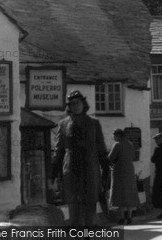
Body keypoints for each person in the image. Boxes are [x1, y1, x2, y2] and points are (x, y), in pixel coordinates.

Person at [51, 90, 109, 226]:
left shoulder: (94, 123)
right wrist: (53, 174)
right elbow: (59, 151)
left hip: (90, 169)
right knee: (74, 207)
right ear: (69, 106)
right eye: (72, 104)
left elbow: (101, 149)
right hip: (71, 170)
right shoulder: (64, 124)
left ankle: (87, 234)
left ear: (84, 104)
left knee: (89, 205)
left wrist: (105, 170)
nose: (75, 106)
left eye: (78, 103)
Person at [108, 128, 140, 225]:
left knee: (120, 193)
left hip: (119, 171)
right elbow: (133, 156)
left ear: (118, 136)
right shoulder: (130, 144)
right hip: (129, 171)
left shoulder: (117, 145)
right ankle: (129, 216)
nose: (113, 137)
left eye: (114, 136)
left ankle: (122, 217)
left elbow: (110, 158)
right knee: (129, 193)